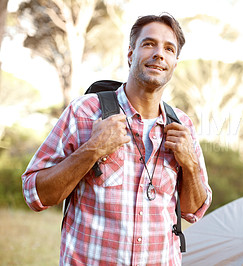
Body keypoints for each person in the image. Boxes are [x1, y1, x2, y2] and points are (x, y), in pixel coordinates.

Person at [22, 13, 212, 265]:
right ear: (131, 53)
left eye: (169, 48)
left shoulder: (182, 125)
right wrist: (92, 149)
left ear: (175, 62)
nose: (159, 53)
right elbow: (34, 194)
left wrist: (191, 164)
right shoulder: (84, 112)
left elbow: (193, 210)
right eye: (149, 44)